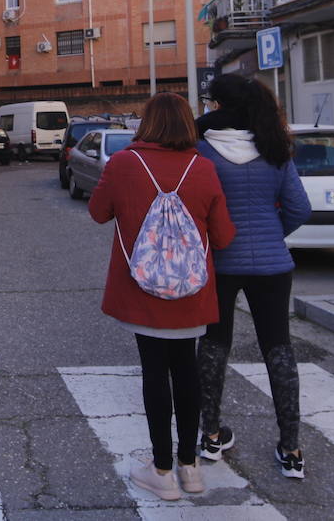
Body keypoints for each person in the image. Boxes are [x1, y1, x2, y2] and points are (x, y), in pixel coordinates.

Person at [88, 93, 236, 501]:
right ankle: (191, 469)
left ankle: (162, 470)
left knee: (155, 372)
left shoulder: (123, 163)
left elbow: (99, 213)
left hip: (142, 290)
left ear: (148, 124)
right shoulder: (203, 168)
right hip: (191, 291)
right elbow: (223, 235)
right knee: (186, 370)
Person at [194, 74, 312, 479]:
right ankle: (291, 448)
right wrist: (268, 236)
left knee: (213, 345)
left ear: (220, 106)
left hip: (220, 263)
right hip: (273, 266)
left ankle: (210, 434)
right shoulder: (275, 148)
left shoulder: (202, 150)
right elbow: (300, 208)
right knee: (278, 348)